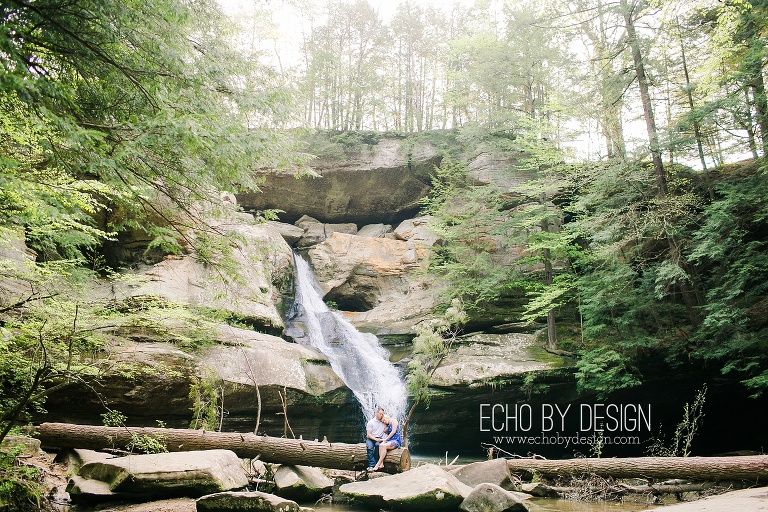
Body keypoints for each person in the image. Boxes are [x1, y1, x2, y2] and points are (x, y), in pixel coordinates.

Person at [365, 406, 387, 470]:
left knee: (378, 446)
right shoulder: (371, 422)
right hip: (371, 438)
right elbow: (368, 434)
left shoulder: (383, 422)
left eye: (383, 414)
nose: (382, 415)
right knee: (369, 447)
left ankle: (377, 463)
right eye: (380, 414)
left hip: (379, 438)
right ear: (376, 413)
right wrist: (376, 439)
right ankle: (372, 465)